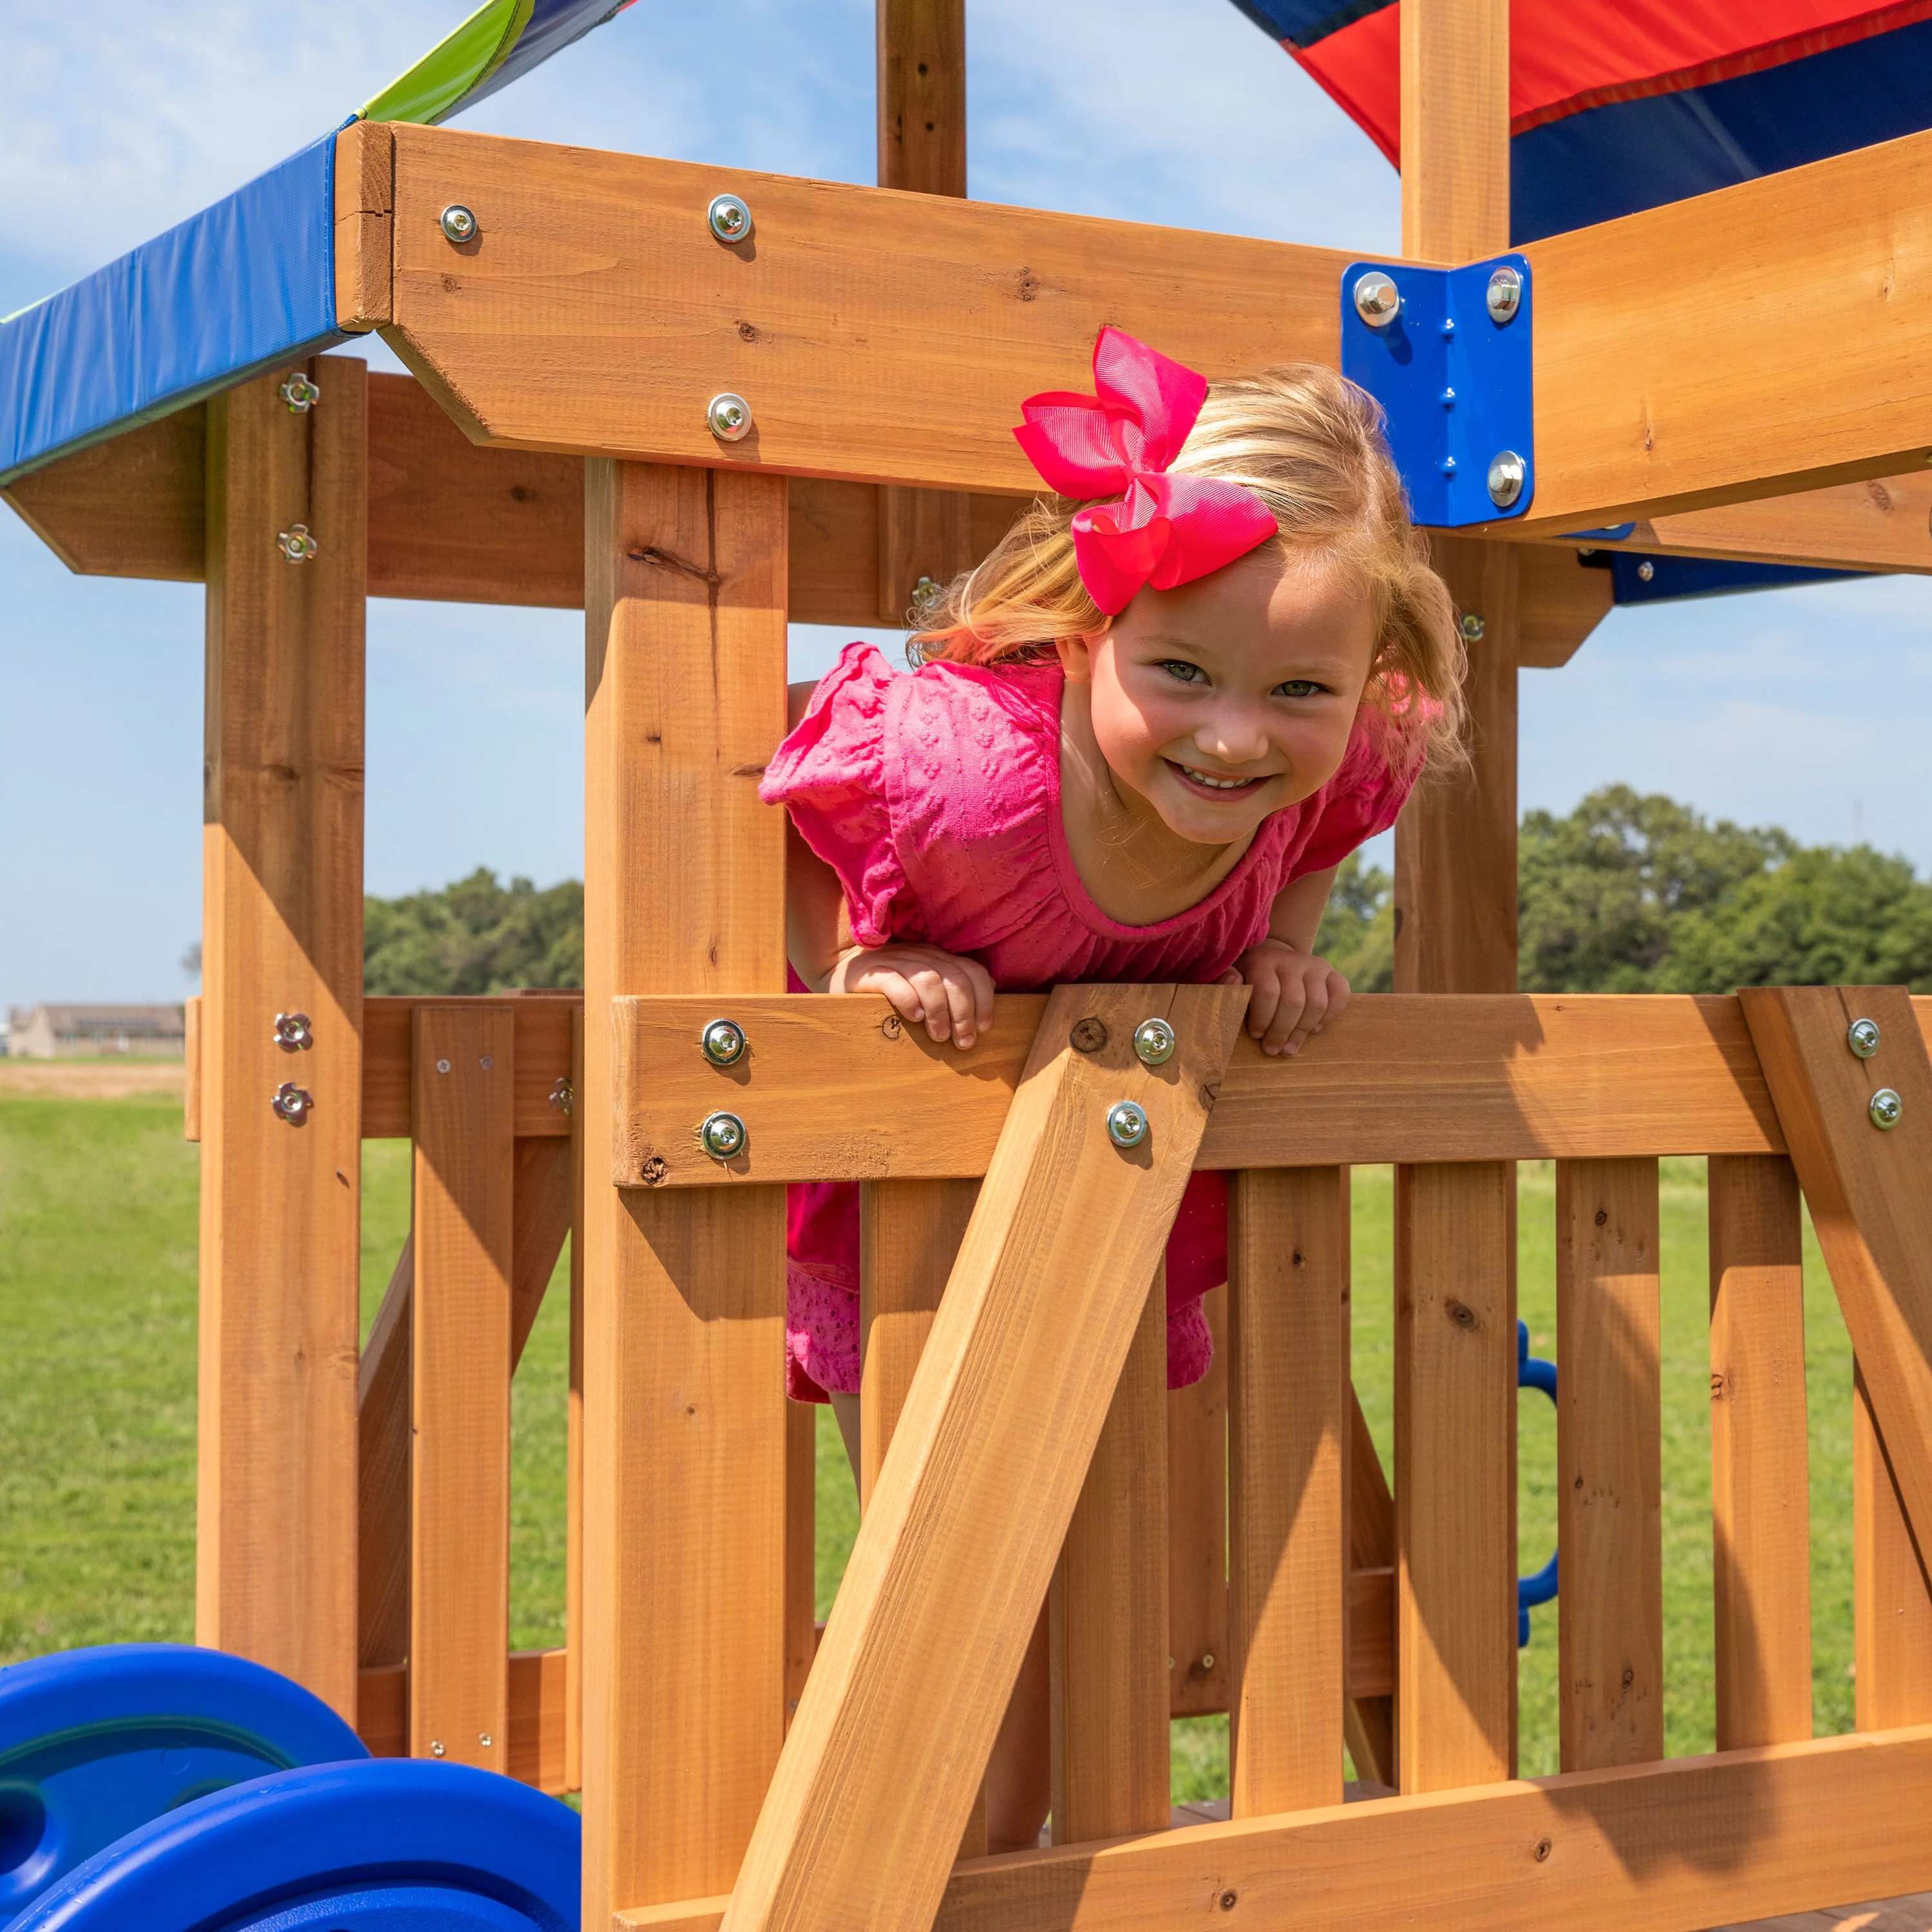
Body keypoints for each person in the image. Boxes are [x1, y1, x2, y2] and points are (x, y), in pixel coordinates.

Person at [762, 325, 1464, 1847]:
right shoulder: (964, 775)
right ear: (1085, 633)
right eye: (1183, 671)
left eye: (1296, 687)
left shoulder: (1337, 761)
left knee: (1096, 1596)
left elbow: (1330, 818)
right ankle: (921, 1869)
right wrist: (866, 956)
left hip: (1119, 1230)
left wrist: (1281, 943)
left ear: (1366, 674)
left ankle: (1013, 1874)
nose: (1231, 732)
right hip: (910, 1240)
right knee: (940, 1582)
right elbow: (794, 810)